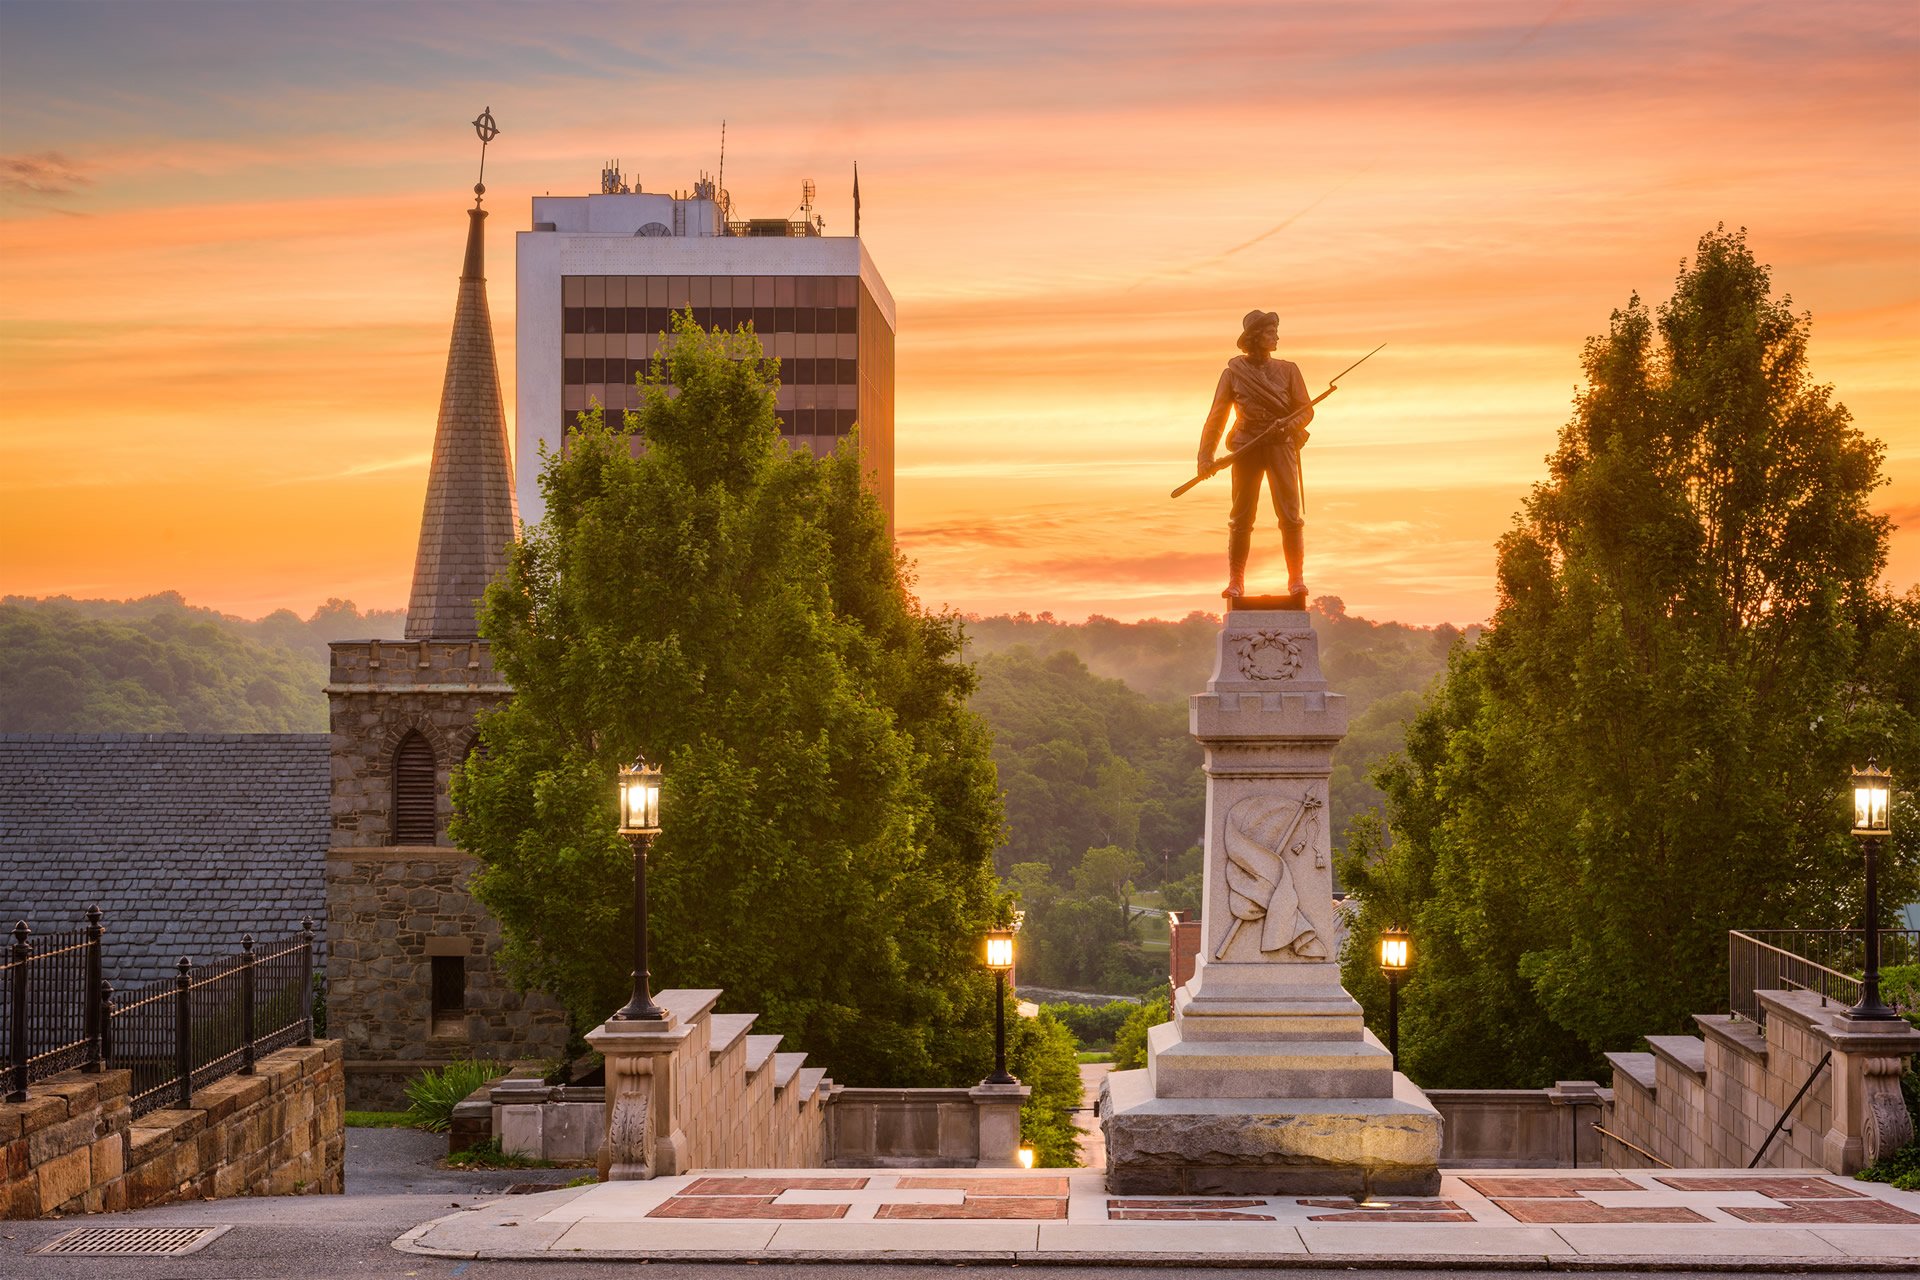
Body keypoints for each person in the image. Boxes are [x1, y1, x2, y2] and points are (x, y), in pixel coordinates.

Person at [1195, 310, 1313, 599]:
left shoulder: (1289, 370)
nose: (1276, 337)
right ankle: (1236, 582)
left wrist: (1287, 425)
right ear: (1255, 337)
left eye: (1276, 331)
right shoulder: (1233, 374)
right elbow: (1217, 417)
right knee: (1241, 517)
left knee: (1290, 516)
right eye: (1271, 332)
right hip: (1247, 446)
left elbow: (1306, 410)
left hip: (1280, 447)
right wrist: (1205, 457)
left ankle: (1296, 580)